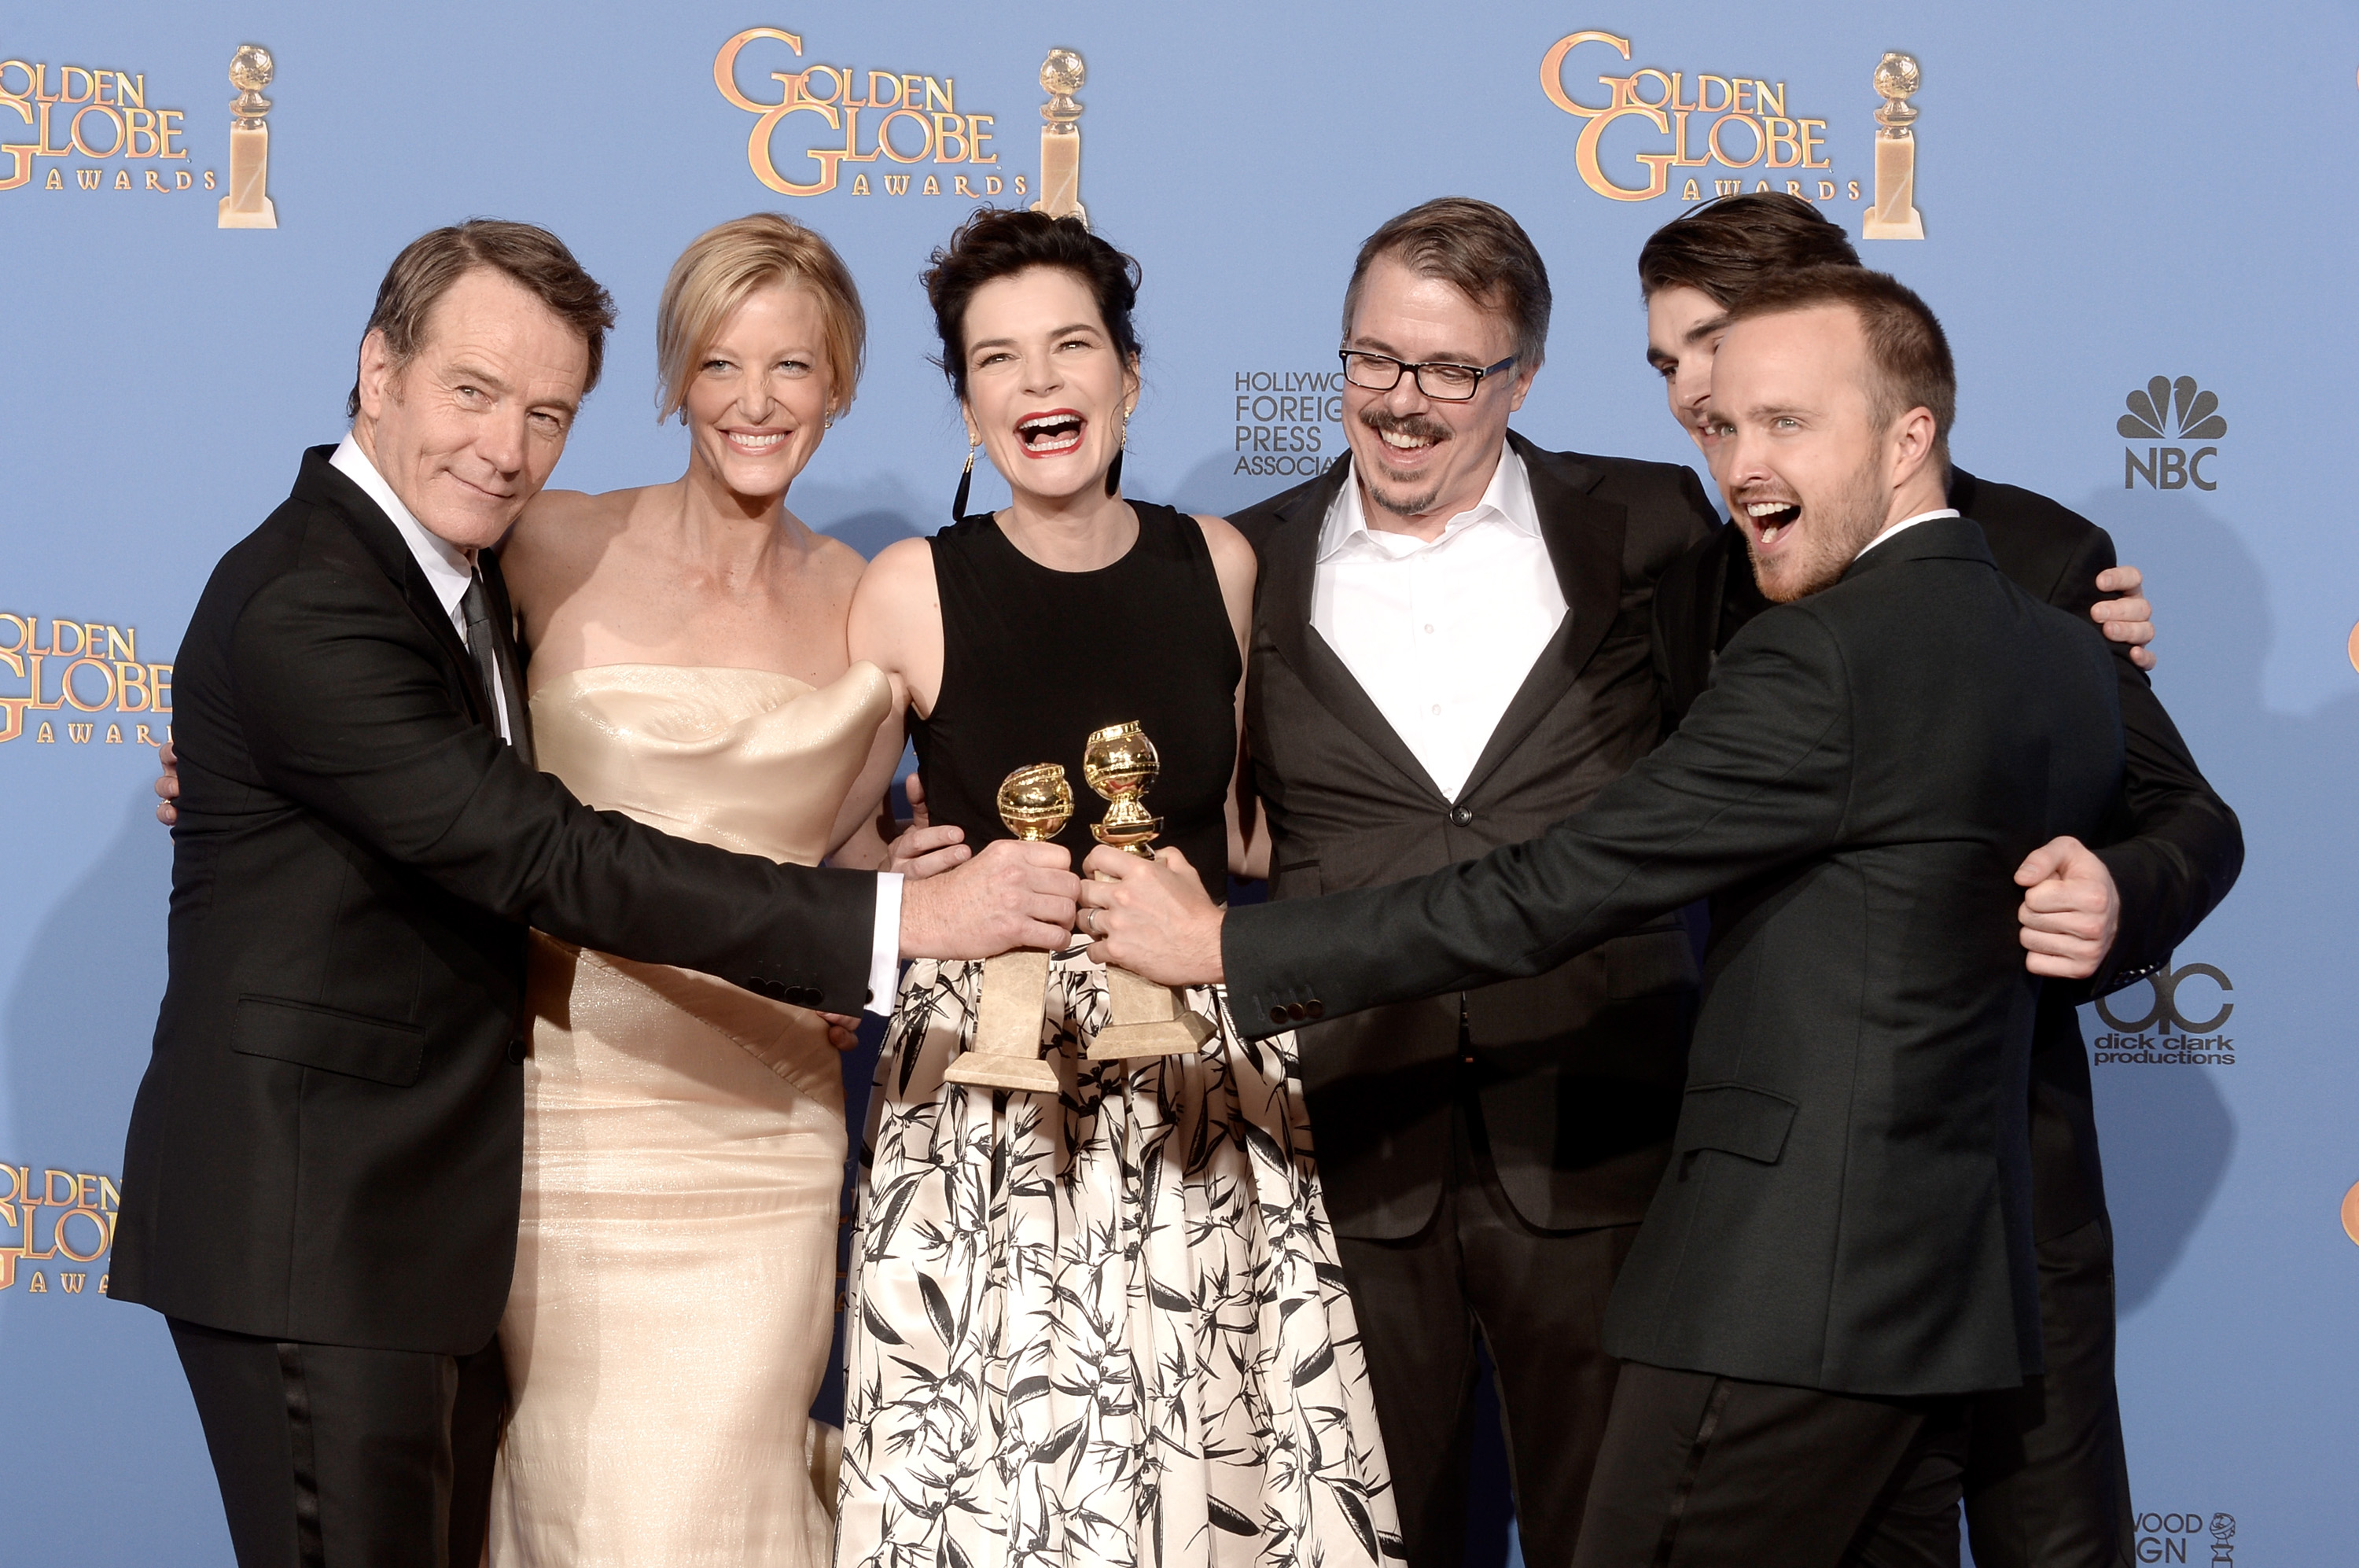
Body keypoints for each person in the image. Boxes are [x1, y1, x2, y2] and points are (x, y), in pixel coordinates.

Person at [1081, 267, 2128, 1565]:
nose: (1740, 464)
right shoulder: (2064, 650)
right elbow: (2166, 823)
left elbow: (1556, 888)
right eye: (1724, 426)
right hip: (1950, 1291)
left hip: (1781, 1287)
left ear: (1911, 437)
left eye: (1787, 423)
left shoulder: (1817, 654)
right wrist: (2122, 886)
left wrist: (1227, 946)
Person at [117, 219, 1076, 1568]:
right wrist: (888, 928)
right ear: (378, 372)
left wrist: (882, 879)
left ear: (842, 384)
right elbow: (547, 851)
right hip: (374, 1199)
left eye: (546, 413)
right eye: (473, 391)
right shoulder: (360, 587)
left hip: (560, 1174)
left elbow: (828, 819)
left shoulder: (458, 569)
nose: (505, 446)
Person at [1638, 193, 2243, 1568]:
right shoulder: (1691, 577)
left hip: (2004, 1170)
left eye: (1715, 346)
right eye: (1668, 364)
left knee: (2050, 1539)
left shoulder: (2038, 558)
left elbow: (2191, 815)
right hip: (1791, 1211)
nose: (1693, 394)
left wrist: (2119, 890)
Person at [837, 207, 1399, 1568]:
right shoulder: (911, 587)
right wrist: (889, 868)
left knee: (1213, 1463)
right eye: (998, 359)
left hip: (1195, 1061)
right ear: (968, 409)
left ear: (1129, 379)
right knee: (997, 1487)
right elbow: (830, 844)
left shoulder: (1219, 564)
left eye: (1071, 346)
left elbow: (1246, 827)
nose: (1039, 381)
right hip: (988, 1088)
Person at [1222, 197, 1720, 1567]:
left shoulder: (1648, 523)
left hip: (1600, 1123)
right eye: (1374, 358)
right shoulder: (1242, 561)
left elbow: (1827, 640)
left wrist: (2056, 602)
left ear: (1523, 377)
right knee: (1369, 1541)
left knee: (1617, 1539)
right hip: (1348, 1141)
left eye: (1449, 369)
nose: (1401, 400)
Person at [481, 213, 969, 1566]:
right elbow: (393, 704)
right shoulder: (549, 542)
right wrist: (251, 757)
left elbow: (844, 850)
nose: (756, 402)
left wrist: (899, 881)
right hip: (566, 1118)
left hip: (765, 1130)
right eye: (720, 364)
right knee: (588, 1501)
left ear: (841, 381)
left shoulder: (877, 601)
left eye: (792, 366)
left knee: (719, 1496)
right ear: (675, 379)